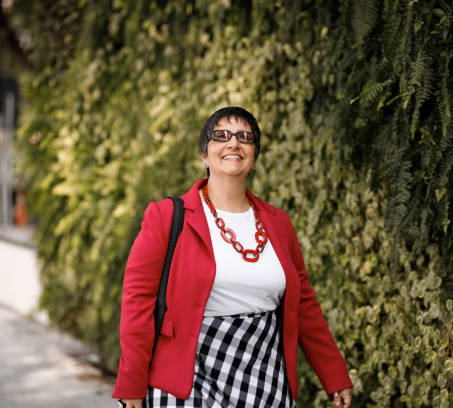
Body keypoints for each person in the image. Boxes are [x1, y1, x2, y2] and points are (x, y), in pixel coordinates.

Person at [112, 107, 353, 407]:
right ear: (204, 155)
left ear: (254, 157)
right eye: (221, 135)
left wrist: (334, 375)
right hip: (187, 378)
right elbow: (137, 303)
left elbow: (304, 305)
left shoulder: (279, 224)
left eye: (244, 137)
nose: (233, 143)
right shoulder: (165, 217)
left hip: (265, 376)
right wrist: (131, 384)